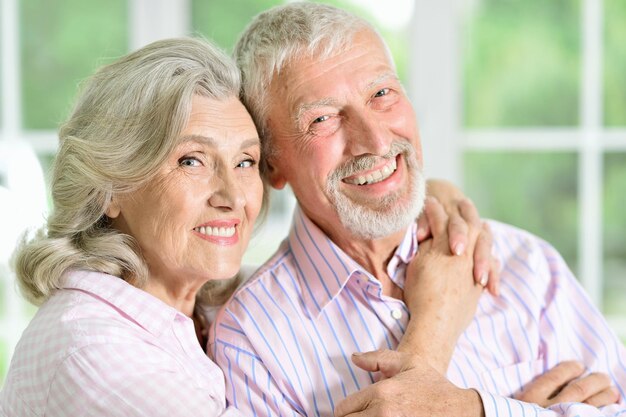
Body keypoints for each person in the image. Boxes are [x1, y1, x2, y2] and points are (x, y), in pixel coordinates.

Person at [0, 35, 494, 416]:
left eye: (245, 162)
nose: (233, 197)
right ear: (110, 186)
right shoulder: (92, 353)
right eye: (192, 161)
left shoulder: (205, 306)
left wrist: (421, 197)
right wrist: (432, 346)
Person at [210, 2, 626, 416]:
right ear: (272, 164)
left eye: (381, 94)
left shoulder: (528, 268)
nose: (374, 140)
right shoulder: (252, 341)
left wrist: (472, 410)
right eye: (323, 119)